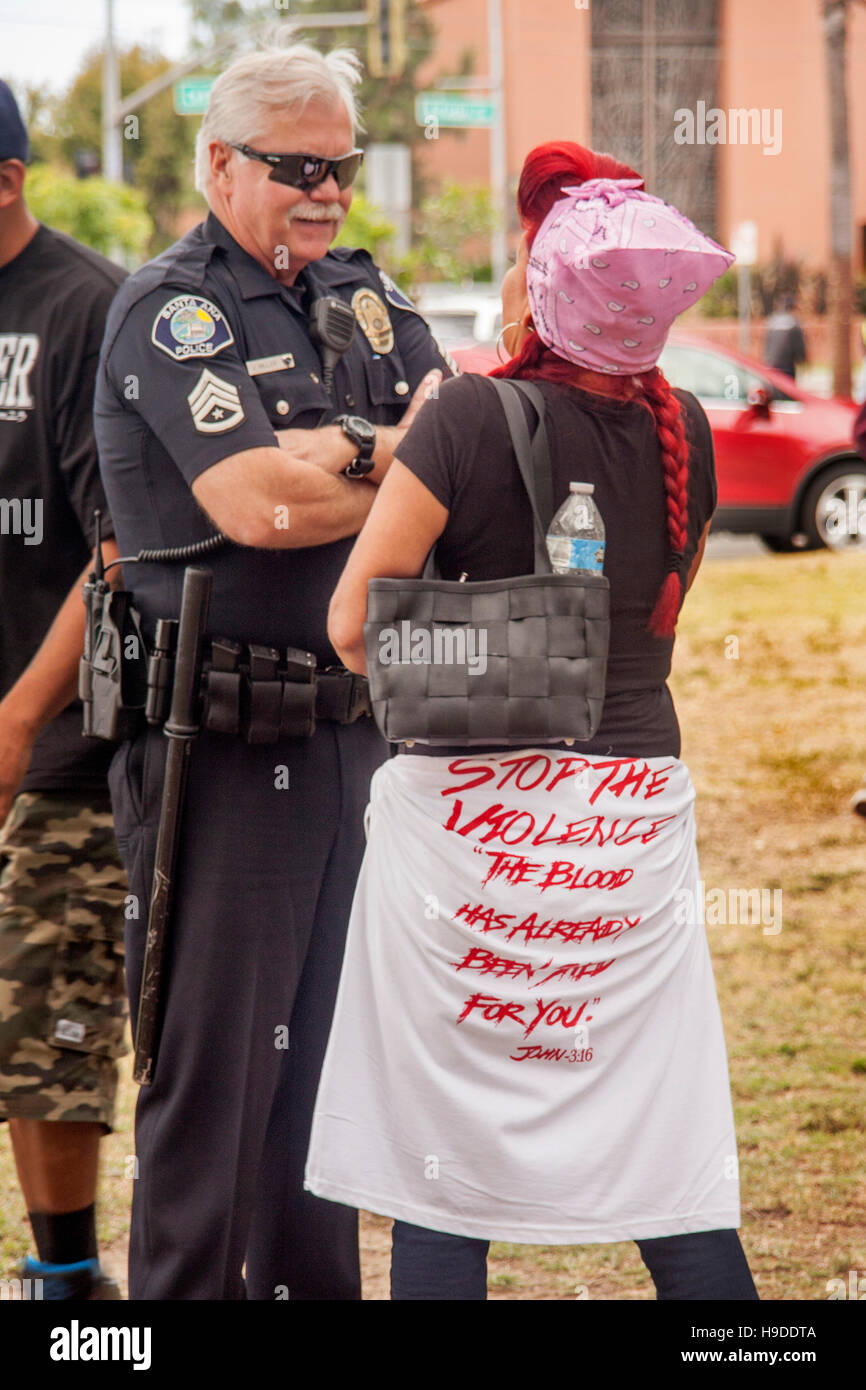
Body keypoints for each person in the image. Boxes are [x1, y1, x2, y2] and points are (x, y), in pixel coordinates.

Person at [305, 142, 760, 1301]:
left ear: (542, 290)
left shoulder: (463, 416)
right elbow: (645, 621)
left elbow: (354, 625)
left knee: (443, 1162)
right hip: (628, 831)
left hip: (475, 828)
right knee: (659, 1139)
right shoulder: (689, 438)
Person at [93, 36, 451, 1301]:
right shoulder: (169, 307)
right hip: (219, 754)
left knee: (332, 1096)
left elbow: (451, 458)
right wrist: (384, 454)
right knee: (212, 1102)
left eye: (340, 166)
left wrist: (337, 449)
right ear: (218, 163)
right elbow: (252, 504)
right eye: (295, 164)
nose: (326, 190)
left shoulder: (364, 294)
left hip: (353, 743)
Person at [0, 80, 127, 1300]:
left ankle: (69, 1282)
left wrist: (21, 715)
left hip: (59, 746)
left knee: (47, 1025)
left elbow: (116, 548)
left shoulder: (85, 307)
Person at [763, 294, 807, 381]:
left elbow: (767, 344)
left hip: (771, 365)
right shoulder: (794, 323)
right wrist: (803, 360)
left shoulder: (772, 321)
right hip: (787, 367)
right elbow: (799, 347)